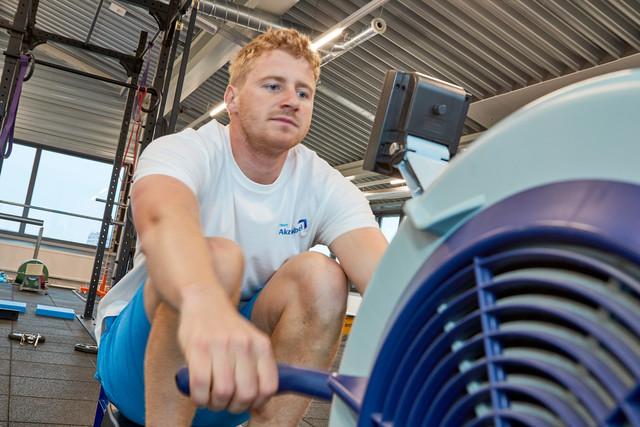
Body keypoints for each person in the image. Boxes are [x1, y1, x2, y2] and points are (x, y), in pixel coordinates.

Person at [95, 28, 388, 427]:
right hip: (142, 373)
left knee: (323, 276)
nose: (292, 100)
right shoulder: (186, 150)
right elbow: (163, 219)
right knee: (217, 258)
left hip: (242, 376)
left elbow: (388, 279)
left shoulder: (325, 184)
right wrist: (203, 301)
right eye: (273, 86)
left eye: (304, 93)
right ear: (231, 98)